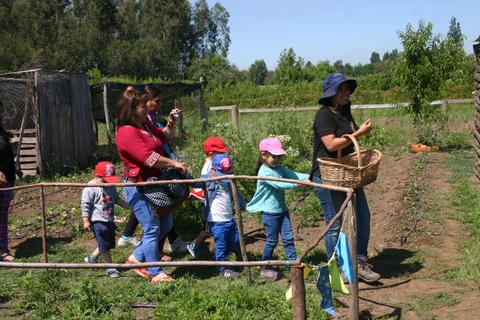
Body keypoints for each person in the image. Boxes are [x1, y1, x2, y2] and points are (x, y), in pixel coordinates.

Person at [311, 73, 380, 283]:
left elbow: (348, 143)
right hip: (326, 175)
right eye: (341, 90)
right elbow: (331, 145)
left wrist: (356, 135)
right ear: (331, 94)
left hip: (346, 174)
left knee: (363, 216)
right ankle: (336, 269)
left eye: (347, 89)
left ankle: (359, 262)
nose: (346, 93)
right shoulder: (324, 115)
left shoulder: (345, 112)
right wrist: (359, 133)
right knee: (334, 224)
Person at [115, 93, 187, 283]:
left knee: (166, 224)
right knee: (152, 228)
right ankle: (155, 272)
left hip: (156, 184)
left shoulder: (145, 126)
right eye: (142, 107)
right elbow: (148, 158)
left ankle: (136, 259)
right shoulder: (126, 132)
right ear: (131, 111)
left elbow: (165, 137)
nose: (147, 108)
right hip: (139, 187)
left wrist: (171, 122)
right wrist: (174, 163)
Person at [246, 137, 309, 280]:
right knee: (272, 241)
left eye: (279, 157)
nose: (277, 160)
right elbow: (281, 184)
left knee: (288, 239)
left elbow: (293, 175)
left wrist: (310, 176)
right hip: (270, 213)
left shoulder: (279, 168)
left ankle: (294, 266)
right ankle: (265, 267)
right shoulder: (265, 172)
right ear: (263, 155)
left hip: (282, 211)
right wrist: (300, 184)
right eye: (274, 156)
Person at [81, 161, 131, 278]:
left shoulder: (110, 187)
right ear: (97, 176)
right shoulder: (90, 188)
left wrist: (129, 206)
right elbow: (85, 205)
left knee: (106, 242)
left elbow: (117, 199)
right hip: (97, 220)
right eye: (105, 179)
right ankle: (110, 267)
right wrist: (86, 220)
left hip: (109, 219)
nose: (108, 182)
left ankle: (92, 259)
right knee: (104, 243)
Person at [199, 153, 244, 278]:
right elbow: (196, 184)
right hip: (217, 220)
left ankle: (219, 258)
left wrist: (244, 204)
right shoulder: (208, 180)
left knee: (234, 240)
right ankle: (222, 268)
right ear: (212, 170)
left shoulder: (228, 182)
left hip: (228, 218)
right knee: (221, 243)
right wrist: (185, 174)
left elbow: (237, 195)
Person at [186, 136, 230, 258]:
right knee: (209, 229)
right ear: (211, 153)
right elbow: (203, 184)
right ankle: (194, 245)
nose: (224, 155)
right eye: (221, 152)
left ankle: (222, 249)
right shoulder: (209, 166)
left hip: (216, 201)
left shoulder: (216, 163)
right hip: (209, 202)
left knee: (211, 228)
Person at [0, 100, 18, 262]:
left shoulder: (1, 131)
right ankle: (3, 252)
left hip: (7, 180)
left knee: (3, 217)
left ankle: (3, 249)